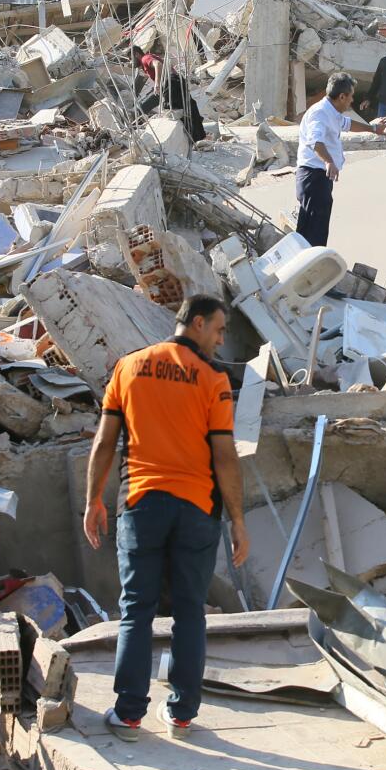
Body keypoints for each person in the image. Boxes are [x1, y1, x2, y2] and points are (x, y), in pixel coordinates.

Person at [84, 295, 250, 742]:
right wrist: (237, 519)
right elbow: (225, 456)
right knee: (190, 611)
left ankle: (129, 713)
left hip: (142, 503)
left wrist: (93, 500)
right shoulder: (214, 379)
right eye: (217, 329)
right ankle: (181, 714)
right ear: (196, 323)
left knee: (136, 609)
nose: (220, 339)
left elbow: (104, 442)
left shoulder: (129, 366)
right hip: (197, 509)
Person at [295, 73, 386, 247]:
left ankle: (313, 263)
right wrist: (328, 161)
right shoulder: (320, 113)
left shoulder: (332, 111)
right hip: (314, 176)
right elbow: (315, 141)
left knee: (316, 225)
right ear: (342, 96)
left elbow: (347, 124)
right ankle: (313, 268)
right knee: (314, 230)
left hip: (321, 176)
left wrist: (373, 129)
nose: (352, 100)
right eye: (351, 96)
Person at [133, 46, 206, 143]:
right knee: (188, 107)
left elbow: (158, 64)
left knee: (173, 110)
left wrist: (157, 83)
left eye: (131, 58)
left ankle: (135, 125)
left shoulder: (145, 58)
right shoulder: (149, 56)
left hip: (170, 84)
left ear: (136, 54)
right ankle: (197, 137)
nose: (131, 62)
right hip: (175, 82)